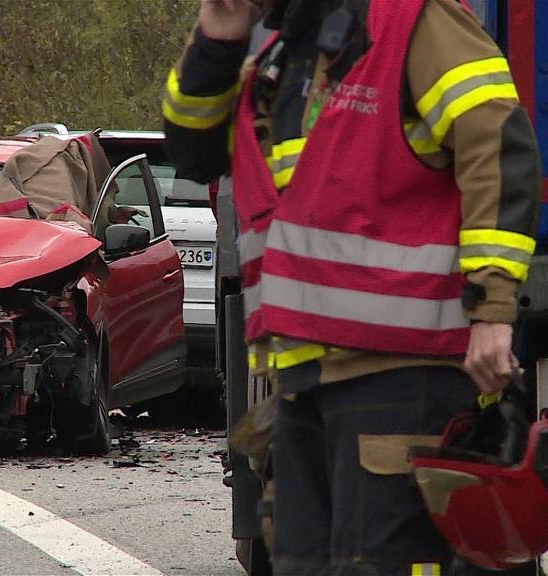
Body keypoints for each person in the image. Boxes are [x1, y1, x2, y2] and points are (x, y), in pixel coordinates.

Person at [164, 0, 542, 574]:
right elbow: (192, 152)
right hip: (304, 379)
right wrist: (217, 35)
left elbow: (498, 145)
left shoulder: (413, 18)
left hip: (401, 374)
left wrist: (492, 308)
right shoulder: (283, 51)